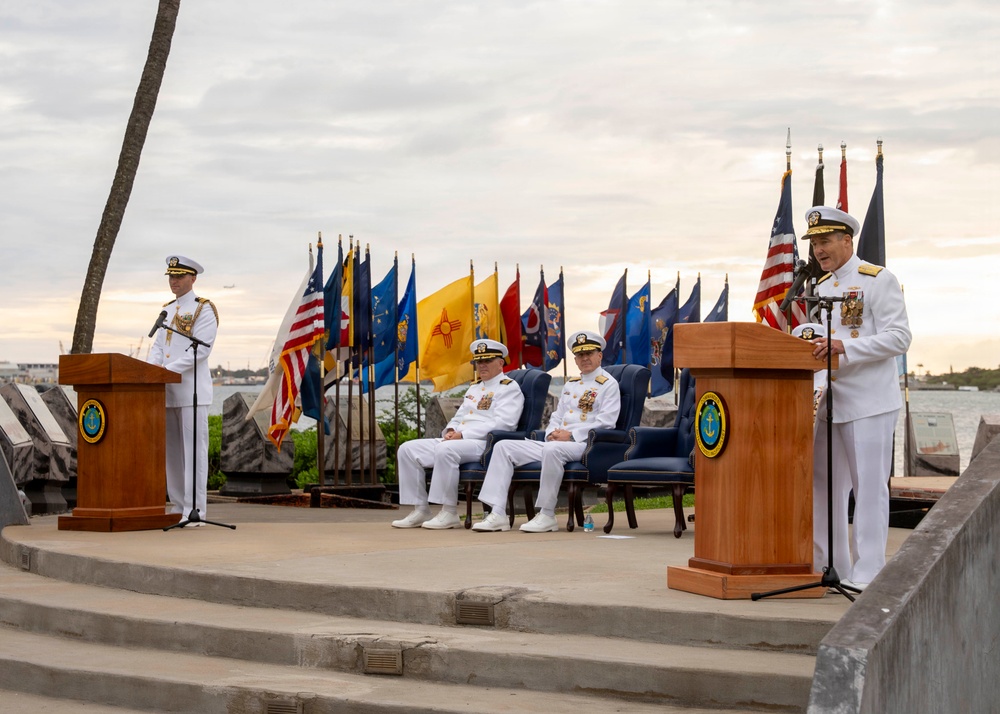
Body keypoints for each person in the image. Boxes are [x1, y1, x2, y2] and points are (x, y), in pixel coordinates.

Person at [801, 206, 911, 589]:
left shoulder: (878, 280)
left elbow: (900, 338)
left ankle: (869, 572)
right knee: (824, 487)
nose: (819, 249)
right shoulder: (825, 286)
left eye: (825, 241)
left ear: (847, 240)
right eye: (814, 243)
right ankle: (831, 567)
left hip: (870, 403)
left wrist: (844, 348)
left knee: (868, 488)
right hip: (831, 402)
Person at [473, 330, 621, 533]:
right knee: (503, 446)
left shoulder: (608, 385)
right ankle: (497, 513)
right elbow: (557, 416)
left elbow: (607, 423)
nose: (584, 358)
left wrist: (570, 436)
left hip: (586, 446)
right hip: (557, 442)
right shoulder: (571, 384)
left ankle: (547, 514)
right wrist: (552, 433)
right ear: (575, 360)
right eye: (579, 355)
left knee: (553, 451)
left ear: (599, 356)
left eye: (589, 354)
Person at [391, 339, 524, 530]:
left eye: (487, 360)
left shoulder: (508, 387)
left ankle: (449, 512)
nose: (482, 365)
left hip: (484, 442)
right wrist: (451, 430)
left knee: (446, 450)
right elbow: (460, 415)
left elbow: (505, 423)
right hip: (460, 439)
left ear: (501, 362)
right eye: (479, 362)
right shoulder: (475, 387)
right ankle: (420, 509)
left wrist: (463, 434)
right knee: (407, 449)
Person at [147, 255, 219, 527]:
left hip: (191, 393)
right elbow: (157, 348)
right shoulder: (166, 310)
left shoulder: (205, 309)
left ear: (193, 278)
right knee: (173, 455)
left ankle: (195, 511)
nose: (173, 281)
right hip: (165, 392)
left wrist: (166, 371)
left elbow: (200, 349)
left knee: (193, 453)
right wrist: (150, 372)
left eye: (178, 276)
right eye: (170, 276)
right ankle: (178, 507)